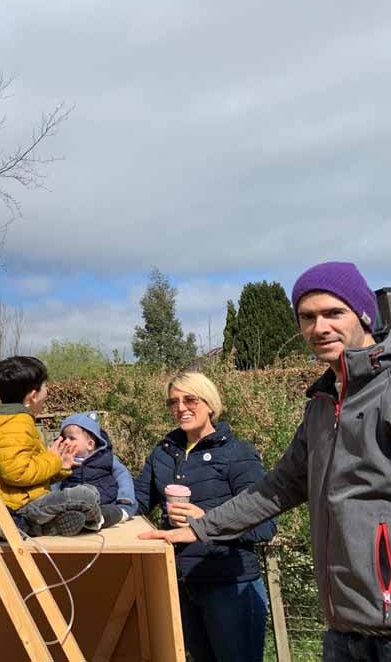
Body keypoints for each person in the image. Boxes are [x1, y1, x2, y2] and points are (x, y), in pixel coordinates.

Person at [141, 262, 389, 662]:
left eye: (333, 313)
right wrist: (200, 529)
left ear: (362, 315)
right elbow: (276, 489)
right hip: (344, 627)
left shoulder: (386, 390)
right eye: (307, 317)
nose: (319, 327)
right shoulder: (323, 406)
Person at [134, 371, 275, 662]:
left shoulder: (238, 454)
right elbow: (135, 504)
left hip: (230, 586)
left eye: (190, 399)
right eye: (173, 402)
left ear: (209, 403)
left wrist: (206, 517)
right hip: (181, 583)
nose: (181, 408)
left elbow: (265, 526)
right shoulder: (163, 453)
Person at [0, 356, 123, 537]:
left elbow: (31, 474)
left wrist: (61, 467)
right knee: (87, 494)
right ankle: (94, 521)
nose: (48, 391)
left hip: (20, 502)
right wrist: (53, 460)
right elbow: (17, 474)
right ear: (33, 395)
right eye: (45, 386)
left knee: (83, 496)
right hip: (17, 509)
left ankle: (48, 527)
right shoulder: (16, 423)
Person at [53, 412, 137, 515]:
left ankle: (115, 514)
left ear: (90, 444)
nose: (66, 442)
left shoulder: (106, 458)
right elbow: (55, 484)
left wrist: (125, 497)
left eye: (71, 438)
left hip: (106, 504)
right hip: (74, 507)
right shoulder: (62, 462)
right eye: (64, 438)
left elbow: (123, 476)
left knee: (116, 512)